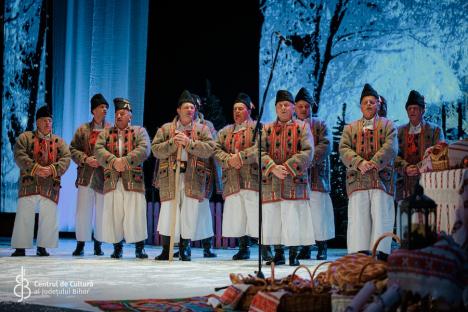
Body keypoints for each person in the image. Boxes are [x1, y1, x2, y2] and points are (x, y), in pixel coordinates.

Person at [152, 90, 215, 261]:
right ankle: (167, 248)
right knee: (168, 211)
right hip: (171, 175)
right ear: (178, 110)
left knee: (189, 211)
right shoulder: (166, 129)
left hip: (192, 175)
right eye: (186, 107)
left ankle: (185, 248)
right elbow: (156, 150)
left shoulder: (202, 129)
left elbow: (210, 149)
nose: (190, 110)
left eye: (192, 107)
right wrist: (173, 143)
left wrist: (189, 143)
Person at [339, 83, 398, 259]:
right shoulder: (350, 127)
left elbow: (391, 147)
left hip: (381, 180)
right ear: (361, 105)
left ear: (378, 104)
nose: (369, 105)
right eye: (365, 102)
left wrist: (372, 162)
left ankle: (381, 253)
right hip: (358, 179)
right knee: (358, 218)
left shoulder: (388, 125)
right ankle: (359, 255)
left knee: (382, 216)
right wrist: (359, 162)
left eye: (372, 102)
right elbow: (343, 148)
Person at [261, 90, 315, 266]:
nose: (283, 108)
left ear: (293, 107)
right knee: (274, 217)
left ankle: (293, 253)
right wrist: (272, 167)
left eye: (286, 105)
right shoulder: (266, 128)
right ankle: (278, 253)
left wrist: (287, 166)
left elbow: (308, 151)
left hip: (295, 180)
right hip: (272, 181)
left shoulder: (303, 127)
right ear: (276, 108)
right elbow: (259, 151)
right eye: (280, 105)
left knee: (294, 217)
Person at [11, 106, 71, 256]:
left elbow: (66, 158)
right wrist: (35, 168)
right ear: (37, 122)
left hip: (50, 183)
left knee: (49, 214)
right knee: (24, 213)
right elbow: (19, 154)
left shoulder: (59, 141)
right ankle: (20, 246)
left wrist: (52, 169)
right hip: (29, 182)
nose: (48, 123)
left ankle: (43, 246)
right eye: (44, 121)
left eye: (50, 121)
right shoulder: (25, 137)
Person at [94, 98, 150, 259]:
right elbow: (98, 149)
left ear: (130, 116)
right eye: (117, 113)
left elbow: (144, 149)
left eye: (123, 113)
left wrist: (125, 161)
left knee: (136, 213)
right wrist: (113, 161)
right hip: (112, 179)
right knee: (114, 213)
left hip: (133, 179)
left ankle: (140, 248)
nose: (119, 116)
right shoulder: (106, 133)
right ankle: (117, 247)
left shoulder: (139, 131)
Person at [214, 92, 258, 260]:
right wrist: (229, 160)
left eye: (241, 109)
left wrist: (241, 157)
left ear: (248, 110)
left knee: (255, 215)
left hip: (251, 178)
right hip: (232, 179)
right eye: (235, 109)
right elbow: (216, 150)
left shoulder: (257, 128)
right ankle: (243, 247)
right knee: (238, 215)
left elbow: (260, 148)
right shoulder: (225, 132)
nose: (237, 112)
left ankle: (266, 249)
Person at [294, 87, 335, 260]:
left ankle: (322, 246)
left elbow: (326, 144)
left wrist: (308, 159)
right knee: (302, 213)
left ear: (312, 107)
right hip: (299, 177)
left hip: (317, 175)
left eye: (307, 106)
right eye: (301, 106)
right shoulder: (291, 126)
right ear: (295, 107)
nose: (304, 109)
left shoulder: (320, 124)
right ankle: (305, 246)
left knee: (319, 211)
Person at [70, 94, 111, 256]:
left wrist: (103, 160)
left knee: (102, 211)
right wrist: (86, 159)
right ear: (94, 110)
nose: (105, 109)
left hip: (103, 176)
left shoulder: (110, 129)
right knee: (83, 210)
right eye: (102, 107)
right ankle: (80, 243)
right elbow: (73, 149)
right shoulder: (83, 130)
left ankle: (98, 244)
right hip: (86, 174)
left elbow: (115, 151)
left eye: (106, 107)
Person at [395, 90, 444, 202]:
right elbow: (393, 155)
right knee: (406, 218)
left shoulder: (435, 130)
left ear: (422, 110)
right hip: (404, 186)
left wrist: (420, 167)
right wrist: (406, 167)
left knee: (427, 217)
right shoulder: (399, 131)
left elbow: (439, 153)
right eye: (409, 108)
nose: (412, 111)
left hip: (428, 184)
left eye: (415, 108)